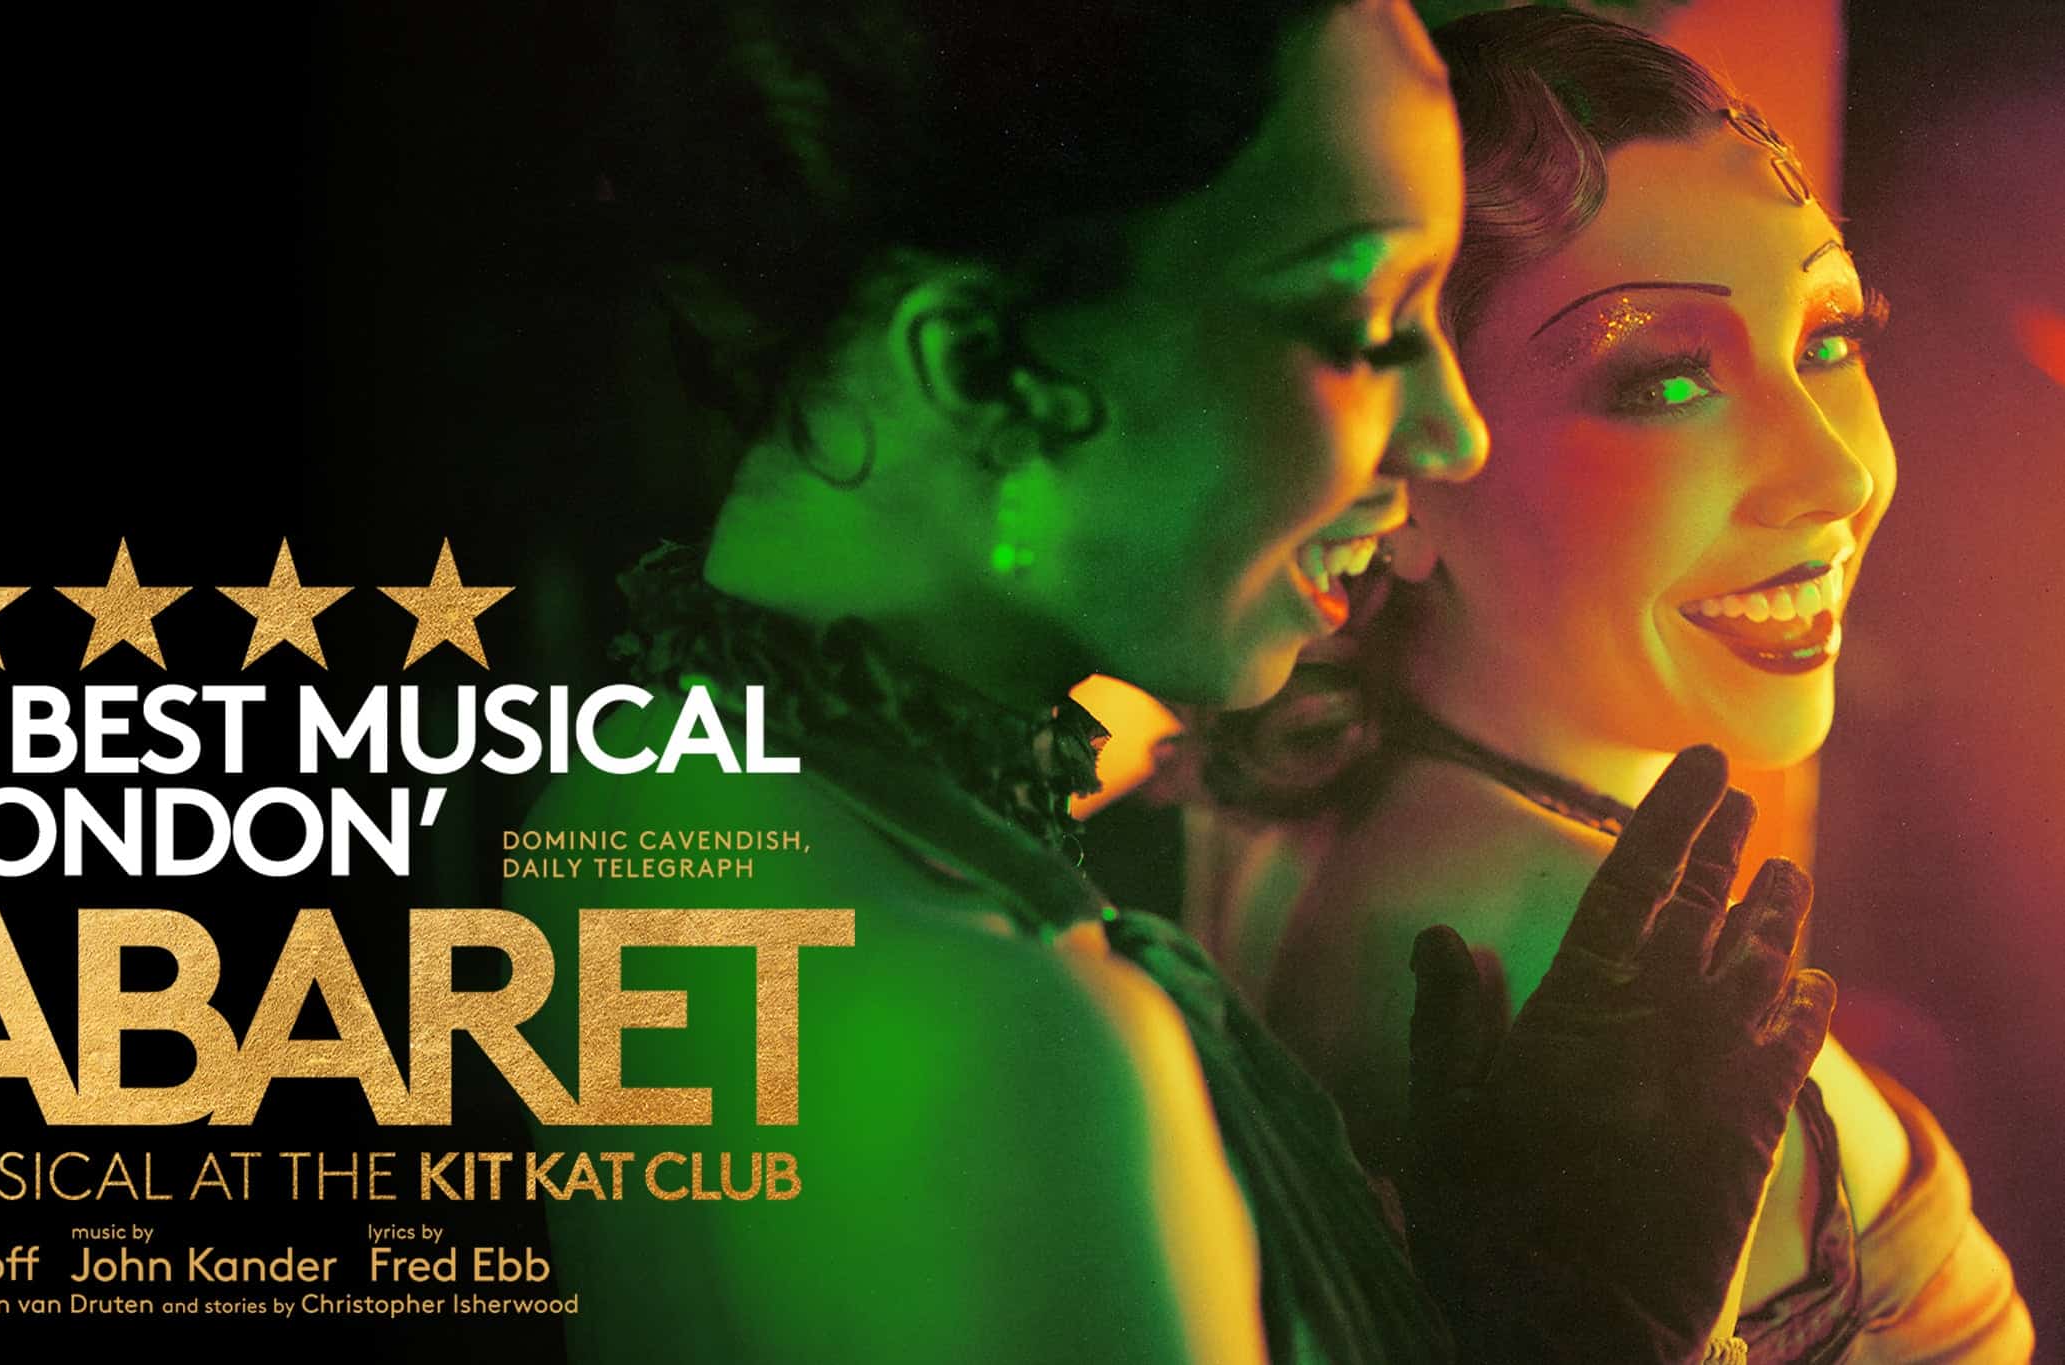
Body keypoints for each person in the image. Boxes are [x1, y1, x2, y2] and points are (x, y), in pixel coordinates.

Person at [506, 2, 1835, 1360]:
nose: (1450, 434)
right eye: (1359, 320)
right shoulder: (1018, 1041)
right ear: (973, 361)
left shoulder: (642, 803)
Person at [1163, 10, 2034, 1361]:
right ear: (1404, 463)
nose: (1837, 473)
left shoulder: (1338, 812)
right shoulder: (1598, 990)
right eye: (1666, 382)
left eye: (1828, 336)